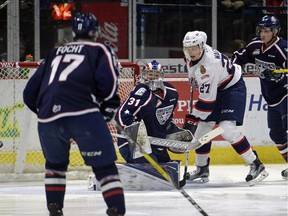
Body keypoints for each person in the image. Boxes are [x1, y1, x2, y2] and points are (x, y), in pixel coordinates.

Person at [23, 13, 126, 216]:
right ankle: (116, 210)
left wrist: (46, 112)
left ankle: (54, 208)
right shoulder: (100, 49)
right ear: (96, 32)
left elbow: (29, 94)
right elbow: (108, 83)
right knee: (104, 167)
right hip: (83, 115)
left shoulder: (54, 53)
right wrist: (107, 108)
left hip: (47, 120)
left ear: (74, 32)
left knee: (55, 166)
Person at [182, 30, 269, 186]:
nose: (190, 51)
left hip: (232, 87)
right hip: (218, 86)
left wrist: (192, 118)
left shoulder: (208, 66)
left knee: (227, 129)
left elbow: (207, 104)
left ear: (202, 46)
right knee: (202, 130)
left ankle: (256, 164)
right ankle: (202, 169)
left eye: (193, 48)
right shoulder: (194, 54)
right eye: (187, 48)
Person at [232, 15, 287, 180]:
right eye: (261, 30)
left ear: (275, 31)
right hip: (271, 98)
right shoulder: (255, 45)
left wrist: (281, 77)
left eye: (267, 31)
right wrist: (232, 70)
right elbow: (239, 57)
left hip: (285, 95)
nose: (263, 34)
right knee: (276, 134)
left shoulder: (283, 49)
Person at [115, 60, 193, 164]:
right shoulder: (141, 92)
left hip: (156, 143)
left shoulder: (172, 92)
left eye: (156, 74)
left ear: (162, 76)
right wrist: (137, 134)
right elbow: (121, 115)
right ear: (143, 75)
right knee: (151, 166)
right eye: (149, 74)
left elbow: (165, 119)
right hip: (132, 144)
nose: (153, 77)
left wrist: (172, 132)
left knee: (168, 169)